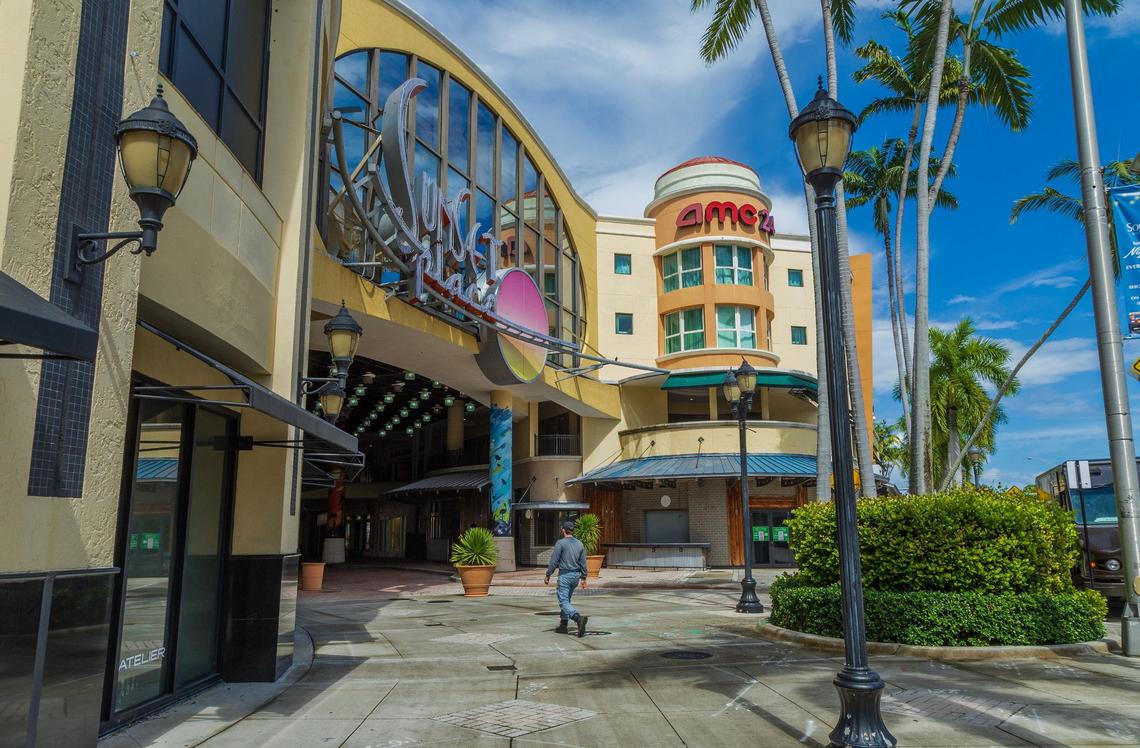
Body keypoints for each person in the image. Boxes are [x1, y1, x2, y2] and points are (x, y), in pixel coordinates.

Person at [544, 520, 589, 637]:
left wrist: (548, 574)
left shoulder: (560, 543)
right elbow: (583, 562)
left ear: (563, 530)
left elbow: (554, 561)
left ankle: (578, 618)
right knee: (567, 600)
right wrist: (583, 577)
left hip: (565, 575)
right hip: (575, 577)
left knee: (563, 601)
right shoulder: (579, 543)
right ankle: (563, 625)